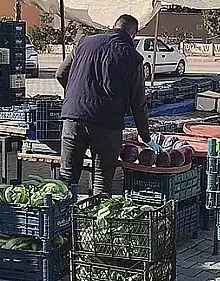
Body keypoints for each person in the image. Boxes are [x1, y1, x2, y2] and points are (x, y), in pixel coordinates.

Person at [56, 14, 151, 195]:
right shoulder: (133, 57)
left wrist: (76, 97)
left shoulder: (84, 42)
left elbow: (60, 73)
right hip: (107, 123)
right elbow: (138, 103)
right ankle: (95, 221)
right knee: (102, 178)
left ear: (113, 26)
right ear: (133, 34)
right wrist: (145, 136)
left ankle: (62, 220)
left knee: (67, 176)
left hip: (73, 118)